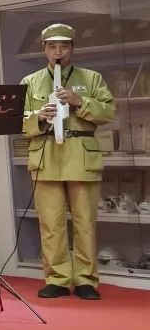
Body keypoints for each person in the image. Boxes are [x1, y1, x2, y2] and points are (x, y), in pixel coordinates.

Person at [21, 23, 115, 300]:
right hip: (46, 154)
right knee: (51, 223)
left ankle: (86, 280)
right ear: (44, 50)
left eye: (64, 46)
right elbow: (16, 120)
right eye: (52, 47)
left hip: (80, 155)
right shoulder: (30, 81)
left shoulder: (92, 78)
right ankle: (57, 279)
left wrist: (79, 101)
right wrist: (38, 116)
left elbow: (108, 112)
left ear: (73, 48)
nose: (58, 52)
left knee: (85, 222)